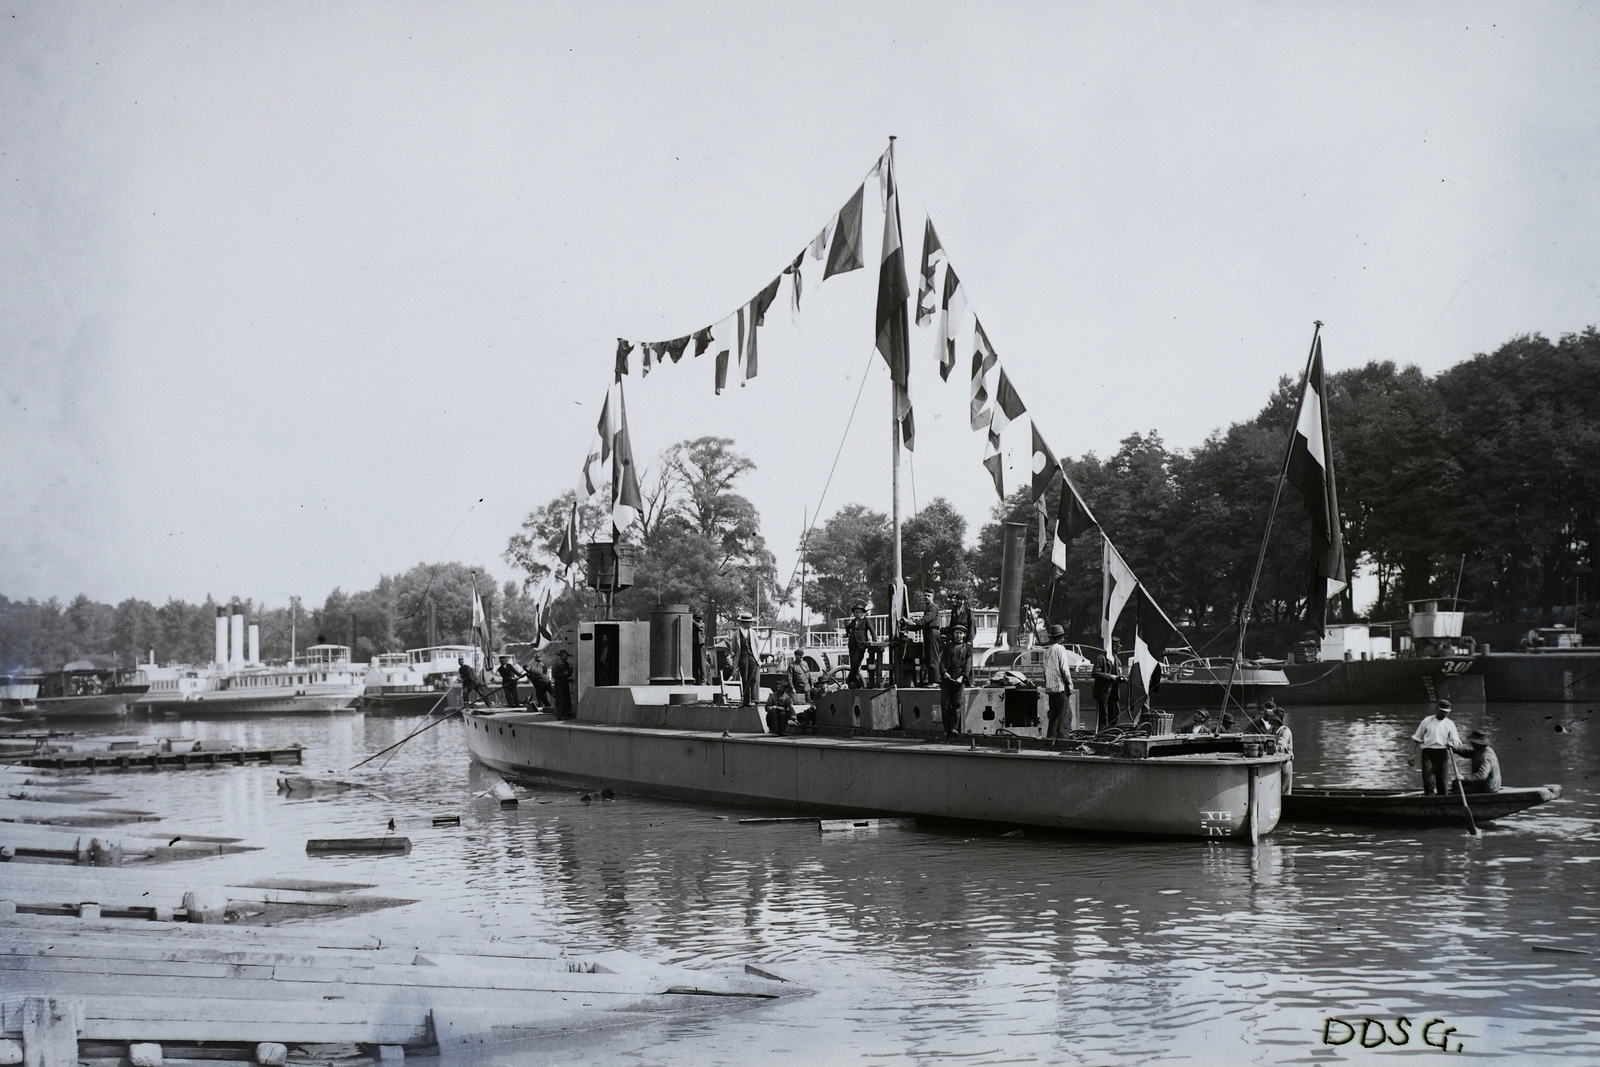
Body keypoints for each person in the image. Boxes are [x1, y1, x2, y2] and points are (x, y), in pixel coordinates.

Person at [1411, 699, 1463, 795]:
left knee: (1443, 784)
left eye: (1446, 713)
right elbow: (1416, 738)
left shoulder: (1450, 724)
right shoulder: (1427, 721)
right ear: (1437, 710)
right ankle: (1429, 802)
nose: (1444, 715)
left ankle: (1443, 804)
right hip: (1428, 753)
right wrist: (1411, 755)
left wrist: (1452, 744)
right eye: (1442, 712)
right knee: (1429, 782)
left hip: (1442, 753)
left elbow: (1457, 742)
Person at [939, 623, 972, 738]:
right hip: (947, 678)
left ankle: (954, 728)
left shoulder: (967, 649)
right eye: (956, 633)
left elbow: (968, 665)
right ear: (953, 634)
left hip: (959, 678)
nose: (958, 635)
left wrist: (962, 677)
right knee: (945, 704)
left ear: (964, 635)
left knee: (957, 704)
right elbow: (942, 662)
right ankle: (946, 728)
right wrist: (944, 673)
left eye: (961, 633)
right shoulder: (948, 646)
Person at [1042, 624, 1074, 738]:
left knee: (1053, 715)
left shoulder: (1047, 651)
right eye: (1062, 637)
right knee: (1065, 715)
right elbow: (1064, 670)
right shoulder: (1061, 649)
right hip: (1060, 687)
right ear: (1060, 638)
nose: (1063, 639)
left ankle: (1050, 738)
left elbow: (1045, 671)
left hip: (1050, 688)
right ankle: (1063, 738)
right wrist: (1069, 685)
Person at [728, 611, 761, 707]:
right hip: (742, 658)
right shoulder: (736, 635)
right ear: (743, 623)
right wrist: (736, 662)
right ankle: (746, 701)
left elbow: (757, 645)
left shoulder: (753, 632)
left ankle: (755, 700)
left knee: (754, 679)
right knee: (745, 679)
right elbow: (734, 649)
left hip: (753, 658)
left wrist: (756, 657)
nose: (751, 624)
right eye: (749, 622)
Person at [909, 592, 941, 686]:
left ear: (933, 597)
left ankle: (935, 681)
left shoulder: (933, 607)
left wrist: (915, 623)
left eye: (928, 596)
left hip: (932, 633)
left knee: (933, 657)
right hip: (927, 633)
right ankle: (932, 680)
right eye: (925, 596)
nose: (926, 597)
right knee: (928, 657)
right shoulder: (928, 607)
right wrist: (910, 627)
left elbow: (926, 619)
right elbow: (923, 623)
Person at [1455, 729, 1502, 793]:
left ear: (1477, 743)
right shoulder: (1480, 750)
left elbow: (1482, 775)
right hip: (1482, 784)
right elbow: (1467, 752)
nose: (1471, 743)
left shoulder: (1486, 756)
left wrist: (1464, 778)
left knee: (1457, 791)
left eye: (1472, 741)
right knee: (1456, 783)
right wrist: (1454, 748)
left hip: (1487, 787)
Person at [1091, 637, 1123, 732]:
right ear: (1113, 647)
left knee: (1114, 714)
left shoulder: (1116, 659)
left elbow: (1117, 674)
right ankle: (1102, 734)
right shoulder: (1101, 658)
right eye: (1118, 646)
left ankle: (1113, 733)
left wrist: (1120, 677)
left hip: (1114, 692)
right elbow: (1095, 673)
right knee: (1103, 716)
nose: (1119, 648)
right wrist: (1110, 676)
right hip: (1103, 693)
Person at [845, 601, 879, 689]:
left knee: (856, 662)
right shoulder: (853, 622)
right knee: (853, 663)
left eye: (859, 612)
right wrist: (848, 633)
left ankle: (848, 680)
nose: (858, 614)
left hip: (861, 644)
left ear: (863, 613)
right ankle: (857, 683)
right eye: (856, 612)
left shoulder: (865, 620)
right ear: (853, 613)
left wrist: (875, 638)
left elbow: (872, 629)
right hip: (852, 644)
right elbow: (847, 627)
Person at [1268, 707, 1294, 794]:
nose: (1268, 718)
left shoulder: (1284, 731)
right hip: (1276, 764)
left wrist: (1266, 746)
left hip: (1285, 764)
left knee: (1284, 791)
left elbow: (1280, 747)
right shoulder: (1272, 731)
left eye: (1271, 717)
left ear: (1276, 719)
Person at [551, 649, 575, 718]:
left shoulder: (566, 663)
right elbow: (554, 675)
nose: (566, 657)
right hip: (559, 683)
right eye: (565, 656)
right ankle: (560, 714)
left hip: (565, 682)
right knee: (560, 699)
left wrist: (569, 671)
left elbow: (569, 672)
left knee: (566, 699)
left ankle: (565, 713)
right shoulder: (556, 664)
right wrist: (563, 674)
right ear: (561, 656)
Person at [692, 612, 707, 685]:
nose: (699, 620)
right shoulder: (694, 625)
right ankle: (697, 679)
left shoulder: (702, 624)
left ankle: (703, 680)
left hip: (701, 645)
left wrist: (691, 620)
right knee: (695, 663)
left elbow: (698, 626)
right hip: (695, 645)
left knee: (702, 663)